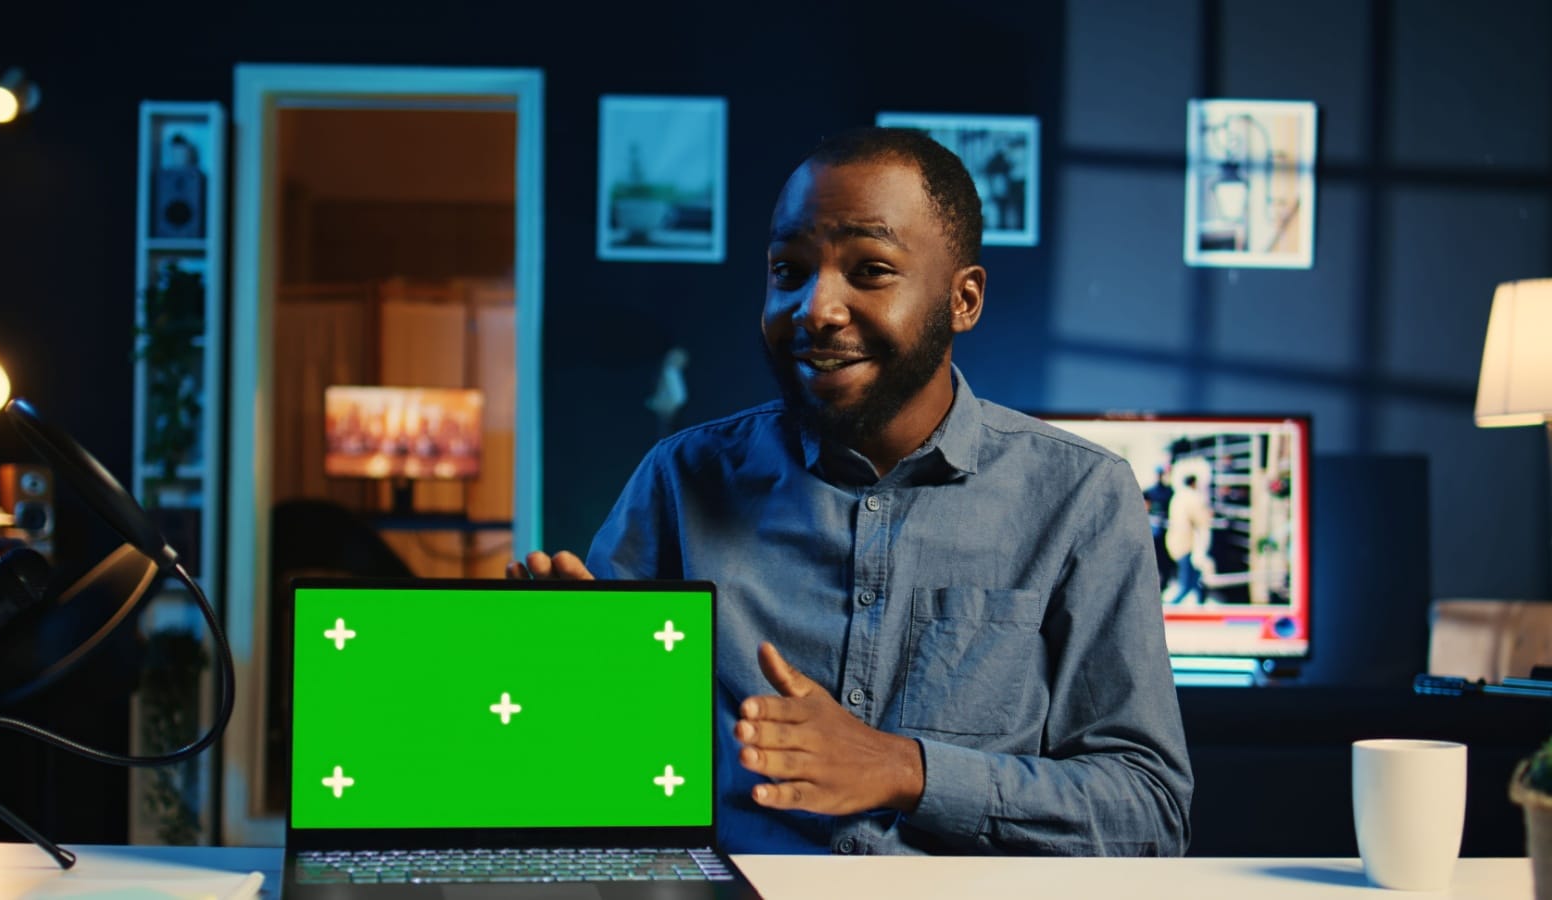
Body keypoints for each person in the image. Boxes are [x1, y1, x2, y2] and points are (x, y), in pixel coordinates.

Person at [509, 126, 1192, 856]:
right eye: (788, 269)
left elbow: (1147, 815)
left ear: (963, 299)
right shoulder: (682, 479)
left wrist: (902, 768)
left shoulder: (1081, 496)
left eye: (869, 270)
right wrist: (557, 683)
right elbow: (598, 774)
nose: (815, 308)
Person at [1164, 473, 1214, 606]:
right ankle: (1171, 606)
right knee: (1188, 582)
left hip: (1176, 541)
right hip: (1188, 544)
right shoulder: (1193, 497)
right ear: (1194, 483)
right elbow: (1202, 521)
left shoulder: (1177, 497)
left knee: (1194, 579)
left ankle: (1199, 602)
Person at [1143, 465, 1176, 590]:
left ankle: (1163, 584)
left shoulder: (1169, 491)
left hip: (1165, 533)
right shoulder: (1150, 492)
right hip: (1153, 533)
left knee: (1164, 562)